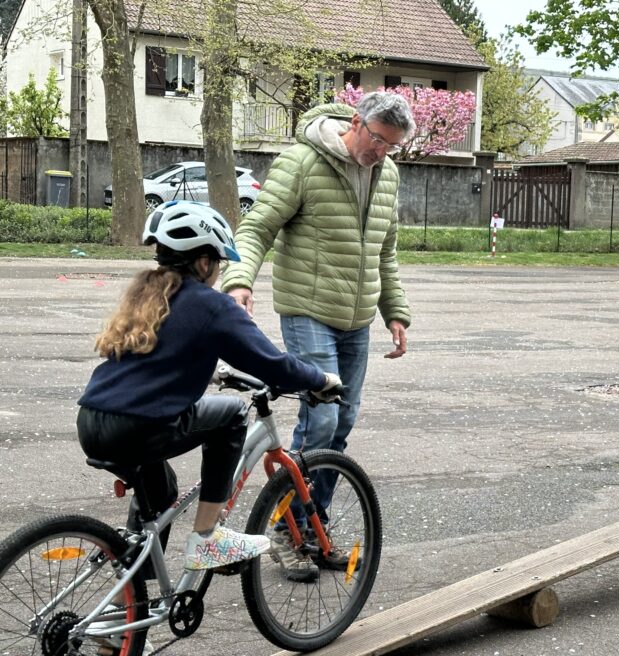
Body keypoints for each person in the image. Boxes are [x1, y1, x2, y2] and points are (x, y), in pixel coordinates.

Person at [76, 201, 342, 574]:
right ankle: (207, 538)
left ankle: (129, 613)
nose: (218, 271)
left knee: (161, 496)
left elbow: (157, 357)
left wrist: (209, 370)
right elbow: (272, 363)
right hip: (140, 424)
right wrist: (321, 380)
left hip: (93, 421)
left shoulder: (148, 296)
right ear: (204, 262)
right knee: (232, 413)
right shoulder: (212, 305)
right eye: (218, 261)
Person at [220, 92, 413, 579]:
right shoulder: (302, 162)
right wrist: (239, 280)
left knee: (342, 422)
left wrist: (396, 312)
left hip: (357, 317)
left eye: (392, 146)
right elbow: (258, 226)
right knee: (322, 417)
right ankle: (289, 531)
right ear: (356, 122)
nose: (381, 153)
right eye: (377, 140)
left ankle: (313, 524)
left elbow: (384, 253)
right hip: (307, 308)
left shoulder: (386, 174)